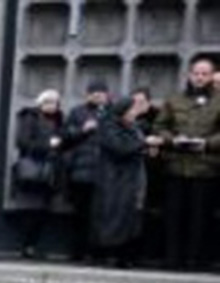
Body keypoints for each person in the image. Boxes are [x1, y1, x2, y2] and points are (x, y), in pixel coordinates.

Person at [148, 57, 220, 271]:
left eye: (204, 74)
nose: (199, 77)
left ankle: (197, 261)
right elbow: (159, 125)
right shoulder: (174, 99)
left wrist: (206, 144)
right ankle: (172, 260)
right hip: (176, 166)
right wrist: (172, 140)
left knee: (201, 218)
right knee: (173, 217)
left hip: (206, 168)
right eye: (196, 73)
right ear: (189, 75)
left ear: (211, 76)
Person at [92, 97, 147, 268]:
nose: (134, 114)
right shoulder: (109, 126)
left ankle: (124, 255)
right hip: (114, 179)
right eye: (131, 110)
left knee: (128, 218)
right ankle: (109, 254)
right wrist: (143, 143)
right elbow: (120, 148)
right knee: (114, 217)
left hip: (130, 179)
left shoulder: (133, 127)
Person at [12, 90, 64, 258]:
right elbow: (22, 142)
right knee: (29, 210)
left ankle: (33, 245)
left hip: (48, 173)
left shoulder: (58, 121)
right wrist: (47, 145)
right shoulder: (30, 118)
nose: (51, 106)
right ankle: (26, 246)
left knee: (42, 211)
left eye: (54, 102)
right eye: (48, 102)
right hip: (32, 171)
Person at [61, 81, 110, 262]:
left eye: (101, 92)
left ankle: (98, 253)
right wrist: (83, 130)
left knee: (101, 215)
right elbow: (65, 137)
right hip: (80, 172)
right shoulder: (77, 112)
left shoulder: (111, 113)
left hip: (104, 173)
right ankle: (77, 252)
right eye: (94, 92)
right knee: (79, 215)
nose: (98, 96)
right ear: (87, 95)